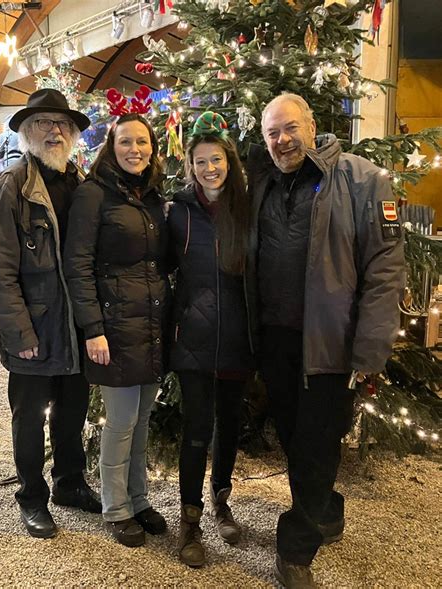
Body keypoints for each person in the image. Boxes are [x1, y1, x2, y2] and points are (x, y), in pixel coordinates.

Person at [246, 93, 404, 588]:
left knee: (315, 442)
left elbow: (385, 272)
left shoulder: (365, 181)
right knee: (297, 437)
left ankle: (295, 550)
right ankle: (327, 506)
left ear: (312, 127)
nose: (282, 140)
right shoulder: (262, 183)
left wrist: (370, 350)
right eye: (272, 132)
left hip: (330, 343)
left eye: (290, 128)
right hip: (275, 339)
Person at [0, 88, 101, 540]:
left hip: (74, 326)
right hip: (34, 327)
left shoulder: (82, 182)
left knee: (72, 411)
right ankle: (32, 497)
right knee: (29, 416)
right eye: (45, 124)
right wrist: (19, 333)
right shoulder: (11, 185)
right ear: (27, 132)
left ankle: (70, 484)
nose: (55, 130)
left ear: (71, 134)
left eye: (62, 125)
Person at [63, 112, 170, 548]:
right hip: (113, 327)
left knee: (142, 419)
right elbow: (78, 265)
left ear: (152, 148)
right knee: (121, 421)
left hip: (150, 323)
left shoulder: (150, 196)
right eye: (126, 142)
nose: (135, 150)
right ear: (111, 146)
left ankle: (139, 498)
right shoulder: (94, 195)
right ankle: (116, 507)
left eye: (142, 142)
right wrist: (93, 328)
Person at [167, 112, 253, 567]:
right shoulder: (178, 210)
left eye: (215, 159)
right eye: (200, 161)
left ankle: (222, 499)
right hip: (194, 336)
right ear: (190, 165)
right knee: (196, 427)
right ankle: (190, 519)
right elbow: (160, 267)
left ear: (228, 160)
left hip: (239, 335)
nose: (209, 169)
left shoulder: (247, 205)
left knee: (228, 424)